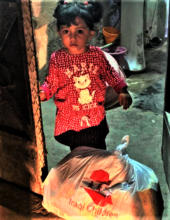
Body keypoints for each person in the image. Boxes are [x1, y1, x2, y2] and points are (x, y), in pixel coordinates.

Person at [39, 0, 132, 151]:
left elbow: (111, 74)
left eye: (80, 31)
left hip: (94, 118)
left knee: (98, 152)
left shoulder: (97, 55)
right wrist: (44, 92)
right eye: (66, 31)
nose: (73, 38)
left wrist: (122, 90)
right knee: (77, 152)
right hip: (69, 120)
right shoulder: (58, 58)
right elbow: (52, 81)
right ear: (58, 32)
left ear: (91, 32)